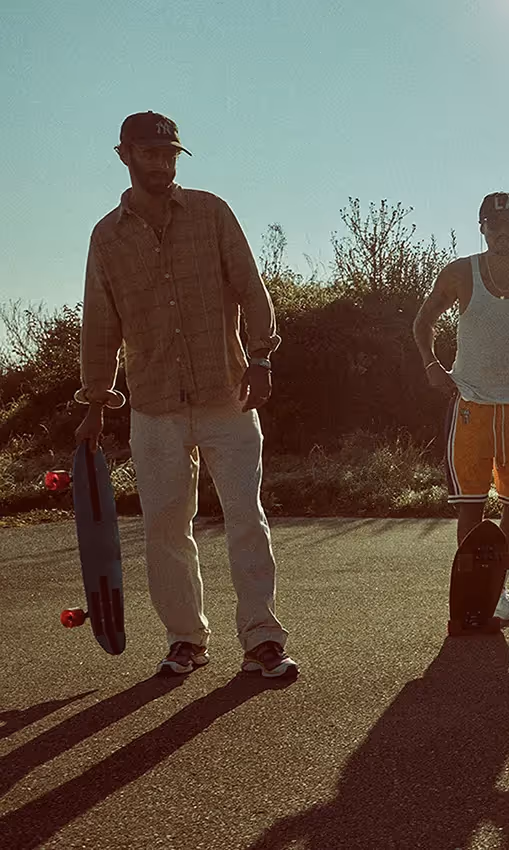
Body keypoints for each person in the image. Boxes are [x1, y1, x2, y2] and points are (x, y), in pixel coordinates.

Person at [75, 111, 297, 678]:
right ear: (124, 155)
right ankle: (185, 640)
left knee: (247, 516)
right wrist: (96, 402)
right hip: (153, 406)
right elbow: (100, 325)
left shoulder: (211, 212)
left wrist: (262, 357)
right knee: (166, 528)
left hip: (228, 394)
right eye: (149, 154)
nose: (161, 163)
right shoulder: (107, 237)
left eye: (169, 153)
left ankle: (262, 639)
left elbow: (252, 287)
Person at [413, 191, 509, 626]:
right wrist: (431, 364)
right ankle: (473, 589)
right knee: (471, 504)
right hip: (471, 402)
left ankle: (499, 585)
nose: (504, 232)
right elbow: (422, 321)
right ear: (482, 227)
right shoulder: (461, 273)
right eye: (495, 224)